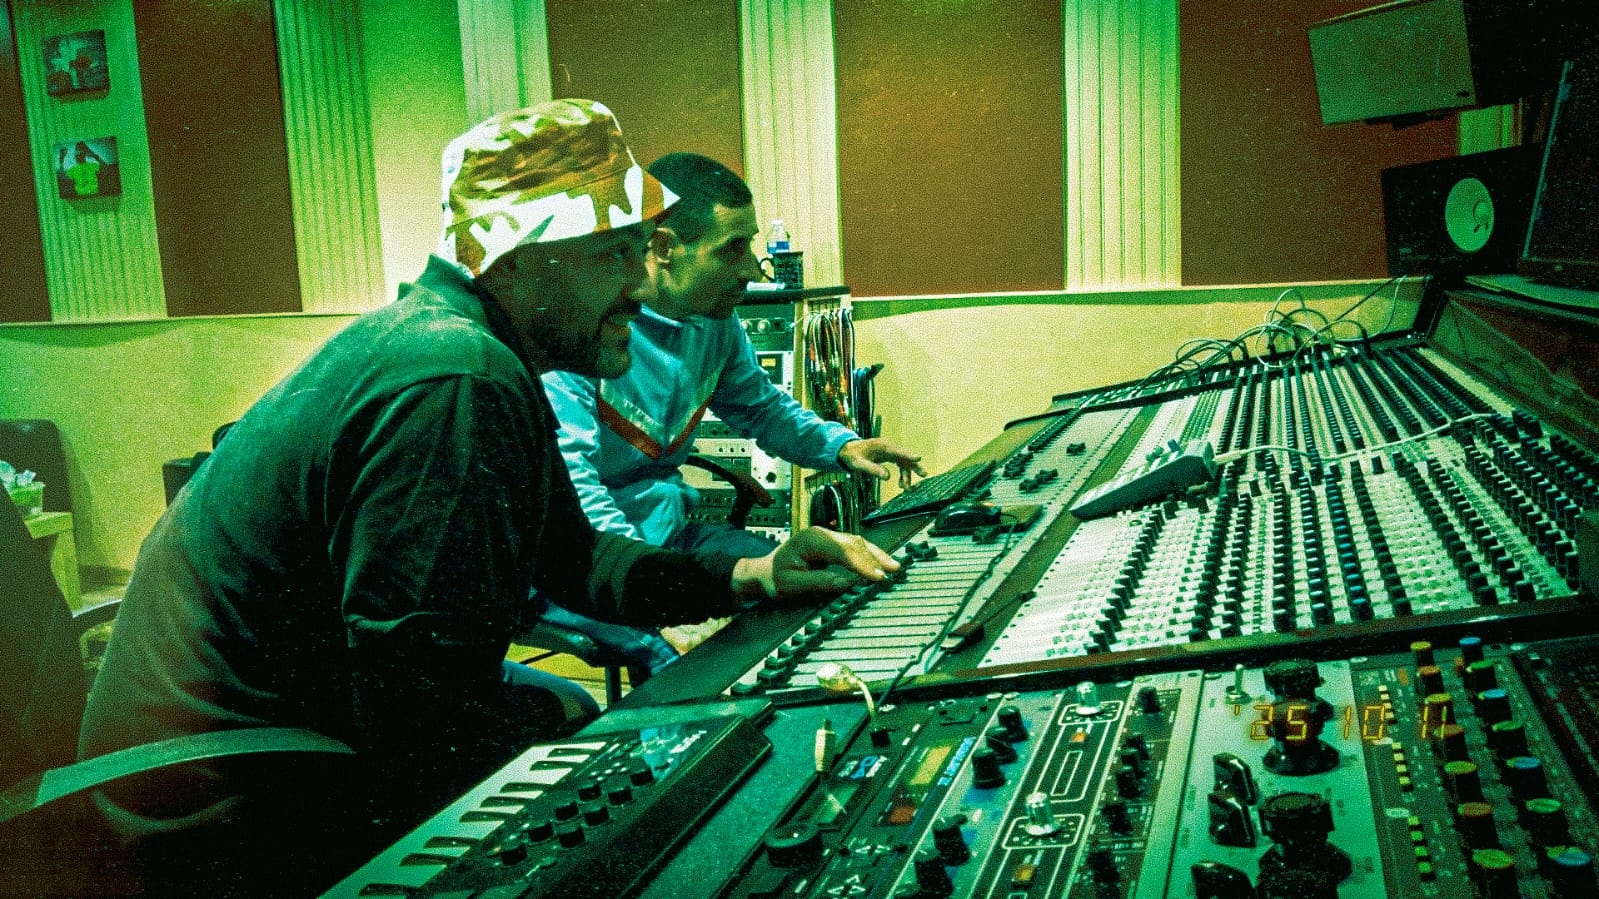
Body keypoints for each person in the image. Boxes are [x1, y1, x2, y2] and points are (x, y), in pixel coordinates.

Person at [74, 99, 897, 897]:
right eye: (615, 253)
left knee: (572, 721)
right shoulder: (454, 378)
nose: (641, 286)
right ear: (519, 260)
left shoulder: (474, 350)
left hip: (278, 744)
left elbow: (574, 557)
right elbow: (418, 707)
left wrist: (755, 575)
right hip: (220, 804)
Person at [541, 152, 924, 671]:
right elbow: (578, 494)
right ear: (664, 247)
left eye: (752, 245)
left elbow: (762, 409)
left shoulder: (716, 323)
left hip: (671, 535)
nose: (751, 269)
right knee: (696, 665)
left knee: (810, 588)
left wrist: (843, 446)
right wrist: (660, 596)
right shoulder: (586, 331)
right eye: (732, 249)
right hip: (586, 563)